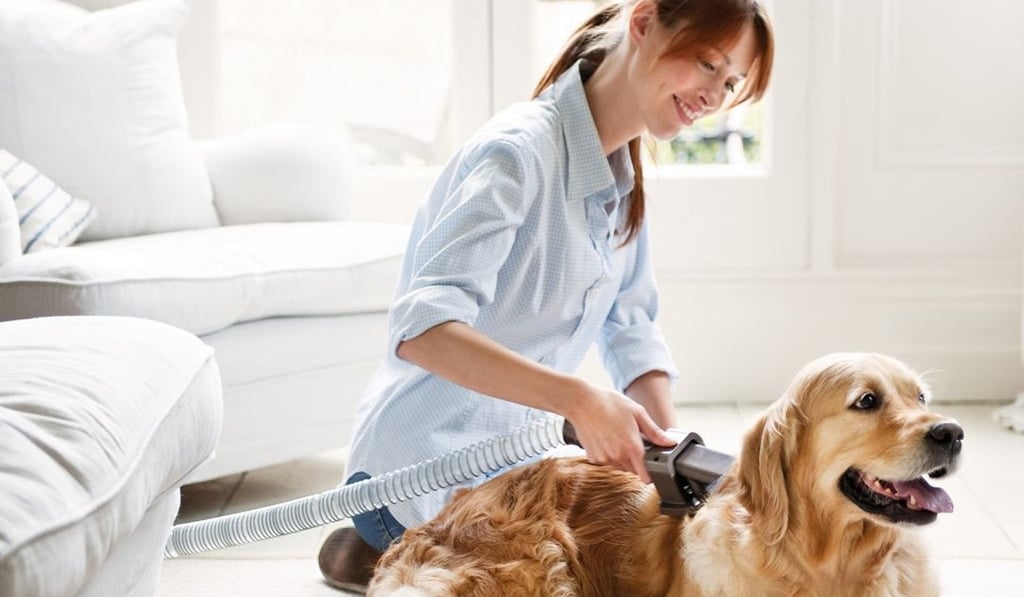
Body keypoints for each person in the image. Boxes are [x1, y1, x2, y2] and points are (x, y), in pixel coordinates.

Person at [319, 0, 774, 591]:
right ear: (643, 23)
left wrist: (671, 464)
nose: (716, 94)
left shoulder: (621, 184)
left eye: (732, 82)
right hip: (417, 471)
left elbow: (631, 328)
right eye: (708, 63)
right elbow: (423, 330)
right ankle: (374, 543)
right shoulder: (516, 154)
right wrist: (578, 403)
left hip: (513, 474)